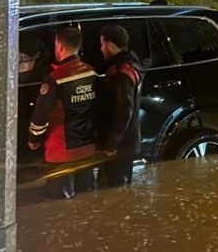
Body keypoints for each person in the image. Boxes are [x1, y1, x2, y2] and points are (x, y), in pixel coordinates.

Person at [28, 27, 101, 199]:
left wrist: (34, 139)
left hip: (61, 150)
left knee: (59, 201)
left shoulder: (54, 79)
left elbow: (41, 115)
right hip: (87, 148)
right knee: (86, 199)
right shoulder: (92, 72)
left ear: (59, 46)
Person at [96, 23, 145, 188]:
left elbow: (124, 110)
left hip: (121, 145)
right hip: (127, 141)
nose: (101, 49)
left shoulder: (122, 72)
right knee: (116, 187)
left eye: (102, 44)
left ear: (110, 45)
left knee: (116, 190)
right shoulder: (131, 62)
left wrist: (111, 143)